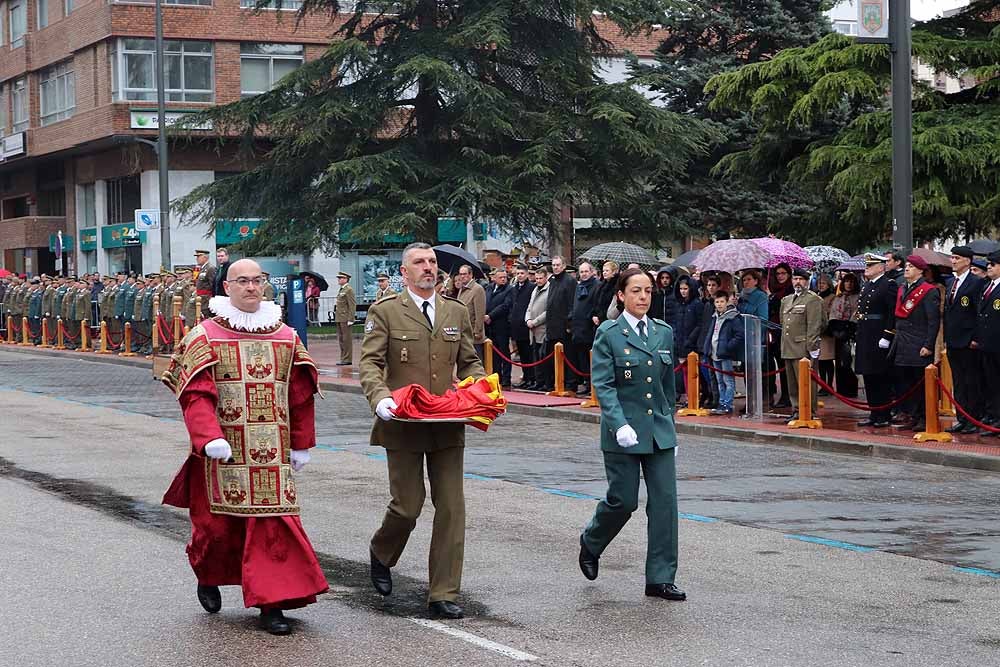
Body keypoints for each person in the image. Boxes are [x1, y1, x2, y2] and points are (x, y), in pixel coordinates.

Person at [161, 258, 327, 635]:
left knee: (273, 529)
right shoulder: (204, 336)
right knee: (217, 531)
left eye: (257, 281)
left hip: (272, 457)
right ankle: (208, 575)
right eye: (243, 281)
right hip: (223, 453)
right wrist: (209, 438)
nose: (252, 287)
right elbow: (195, 395)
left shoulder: (286, 336)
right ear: (227, 287)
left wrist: (301, 444)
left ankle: (272, 603)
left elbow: (300, 396)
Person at [358, 242, 485, 619]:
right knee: (407, 506)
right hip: (403, 424)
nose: (428, 268)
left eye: (431, 262)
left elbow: (469, 361)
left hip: (446, 425)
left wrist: (480, 389)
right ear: (404, 272)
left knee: (452, 508)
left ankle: (443, 592)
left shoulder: (455, 311)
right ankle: (382, 551)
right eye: (419, 262)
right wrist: (379, 398)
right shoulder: (385, 312)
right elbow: (370, 363)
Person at [578, 268, 685, 602]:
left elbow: (667, 388)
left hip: (658, 433)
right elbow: (605, 386)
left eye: (648, 291)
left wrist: (671, 428)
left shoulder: (662, 332)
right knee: (623, 501)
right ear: (621, 296)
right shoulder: (609, 333)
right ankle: (591, 541)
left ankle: (660, 577)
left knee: (665, 503)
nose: (643, 297)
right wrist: (618, 424)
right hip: (622, 431)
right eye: (636, 291)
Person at [890, 255, 941, 432]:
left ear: (920, 270)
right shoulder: (903, 287)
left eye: (911, 266)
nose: (906, 269)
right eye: (906, 266)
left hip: (919, 343)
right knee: (907, 383)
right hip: (903, 342)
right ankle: (913, 415)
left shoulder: (928, 290)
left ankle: (925, 418)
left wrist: (928, 345)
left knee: (921, 383)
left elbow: (933, 321)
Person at [943, 246, 985, 434]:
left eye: (957, 258)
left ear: (967, 261)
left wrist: (975, 338)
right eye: (952, 257)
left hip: (968, 340)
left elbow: (979, 312)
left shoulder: (976, 282)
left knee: (971, 381)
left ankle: (973, 419)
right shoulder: (951, 282)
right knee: (958, 381)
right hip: (953, 340)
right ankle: (961, 417)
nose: (953, 261)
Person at [780, 268, 824, 419]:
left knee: (806, 382)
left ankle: (808, 411)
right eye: (795, 279)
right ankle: (796, 410)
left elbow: (816, 324)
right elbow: (783, 322)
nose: (797, 282)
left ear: (807, 281)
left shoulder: (813, 299)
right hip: (788, 346)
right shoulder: (786, 300)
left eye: (801, 279)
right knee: (792, 383)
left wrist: (812, 346)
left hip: (803, 346)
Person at [972, 251, 1000, 437]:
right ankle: (993, 415)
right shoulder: (987, 286)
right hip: (987, 344)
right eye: (988, 264)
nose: (989, 267)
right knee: (991, 382)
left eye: (993, 264)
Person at [702, 290, 744, 415]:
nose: (719, 304)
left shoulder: (733, 317)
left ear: (727, 302)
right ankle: (722, 402)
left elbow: (739, 334)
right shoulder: (715, 316)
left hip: (725, 353)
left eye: (722, 302)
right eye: (717, 302)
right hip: (715, 352)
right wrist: (707, 348)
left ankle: (728, 403)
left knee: (728, 379)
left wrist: (728, 346)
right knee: (719, 379)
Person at [545, 256, 578, 389]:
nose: (556, 267)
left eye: (558, 265)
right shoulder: (552, 281)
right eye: (554, 265)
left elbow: (572, 304)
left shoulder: (570, 281)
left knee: (568, 356)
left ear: (564, 266)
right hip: (552, 325)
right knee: (554, 356)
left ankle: (570, 384)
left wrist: (569, 324)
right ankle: (557, 382)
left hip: (564, 326)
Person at [827, 272, 860, 398]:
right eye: (846, 281)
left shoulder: (858, 297)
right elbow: (833, 312)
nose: (849, 284)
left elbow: (857, 313)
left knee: (848, 362)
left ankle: (851, 389)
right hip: (838, 331)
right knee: (839, 362)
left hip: (850, 332)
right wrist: (834, 326)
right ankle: (841, 389)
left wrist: (850, 327)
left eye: (851, 282)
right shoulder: (838, 297)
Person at [570, 261, 600, 396]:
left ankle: (593, 385)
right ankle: (586, 382)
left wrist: (590, 317)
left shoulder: (596, 286)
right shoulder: (579, 286)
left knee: (591, 358)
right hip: (578, 328)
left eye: (586, 271)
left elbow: (595, 304)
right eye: (581, 272)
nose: (584, 274)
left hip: (589, 328)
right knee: (581, 358)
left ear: (592, 272)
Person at [767, 263, 794, 407]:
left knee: (784, 364)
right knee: (773, 362)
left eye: (783, 273)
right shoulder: (773, 291)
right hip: (772, 330)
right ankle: (773, 393)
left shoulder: (790, 290)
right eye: (778, 274)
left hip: (784, 330)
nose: (781, 276)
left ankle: (787, 395)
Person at [508, 264, 537, 389]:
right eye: (518, 273)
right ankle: (525, 377)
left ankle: (532, 378)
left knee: (529, 354)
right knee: (522, 355)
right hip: (516, 326)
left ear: (526, 274)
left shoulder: (531, 287)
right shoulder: (514, 288)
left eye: (522, 273)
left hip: (526, 326)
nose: (520, 276)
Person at [484, 268, 513, 389]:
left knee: (504, 352)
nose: (503, 279)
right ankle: (496, 376)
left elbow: (505, 306)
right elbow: (486, 302)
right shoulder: (489, 288)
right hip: (490, 326)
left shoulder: (509, 289)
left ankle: (506, 379)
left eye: (505, 277)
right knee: (493, 353)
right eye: (500, 277)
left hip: (502, 325)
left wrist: (490, 315)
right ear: (494, 278)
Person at [526, 265, 551, 391]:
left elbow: (548, 311)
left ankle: (547, 382)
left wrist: (535, 322)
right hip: (532, 330)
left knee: (544, 357)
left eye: (541, 278)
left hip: (542, 329)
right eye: (536, 278)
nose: (538, 280)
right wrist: (528, 319)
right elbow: (530, 307)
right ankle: (538, 381)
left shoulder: (549, 289)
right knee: (535, 356)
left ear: (546, 278)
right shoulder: (535, 289)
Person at [455, 264, 487, 359]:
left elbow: (480, 313)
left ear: (470, 274)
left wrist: (477, 331)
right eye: (460, 274)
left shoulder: (477, 289)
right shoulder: (462, 288)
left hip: (473, 335)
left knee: (476, 361)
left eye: (464, 274)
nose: (462, 276)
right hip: (463, 333)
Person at [815, 274, 837, 393]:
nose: (820, 286)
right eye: (819, 283)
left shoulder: (832, 297)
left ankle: (829, 385)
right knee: (820, 361)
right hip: (817, 331)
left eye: (823, 283)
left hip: (827, 332)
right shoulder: (816, 296)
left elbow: (832, 311)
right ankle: (823, 384)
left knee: (827, 360)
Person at [335, 271, 356, 366]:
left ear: (346, 279)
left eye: (341, 278)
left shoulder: (348, 290)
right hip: (340, 317)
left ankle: (347, 359)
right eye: (339, 278)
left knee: (346, 339)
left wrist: (351, 319)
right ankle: (343, 357)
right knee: (341, 339)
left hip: (345, 318)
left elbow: (352, 305)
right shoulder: (342, 289)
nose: (339, 280)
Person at [194, 249, 216, 316]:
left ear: (205, 257)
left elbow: (213, 285)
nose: (197, 259)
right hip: (201, 299)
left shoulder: (210, 268)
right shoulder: (202, 269)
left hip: (206, 300)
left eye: (199, 256)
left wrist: (211, 299)